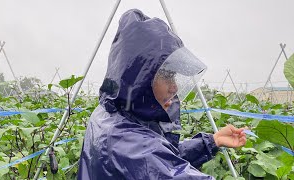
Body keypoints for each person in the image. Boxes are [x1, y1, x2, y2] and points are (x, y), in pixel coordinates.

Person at [77, 9, 246, 180]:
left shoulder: (111, 113)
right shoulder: (126, 143)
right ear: (140, 77)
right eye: (166, 75)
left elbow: (162, 159)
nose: (174, 87)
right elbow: (155, 162)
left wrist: (212, 141)